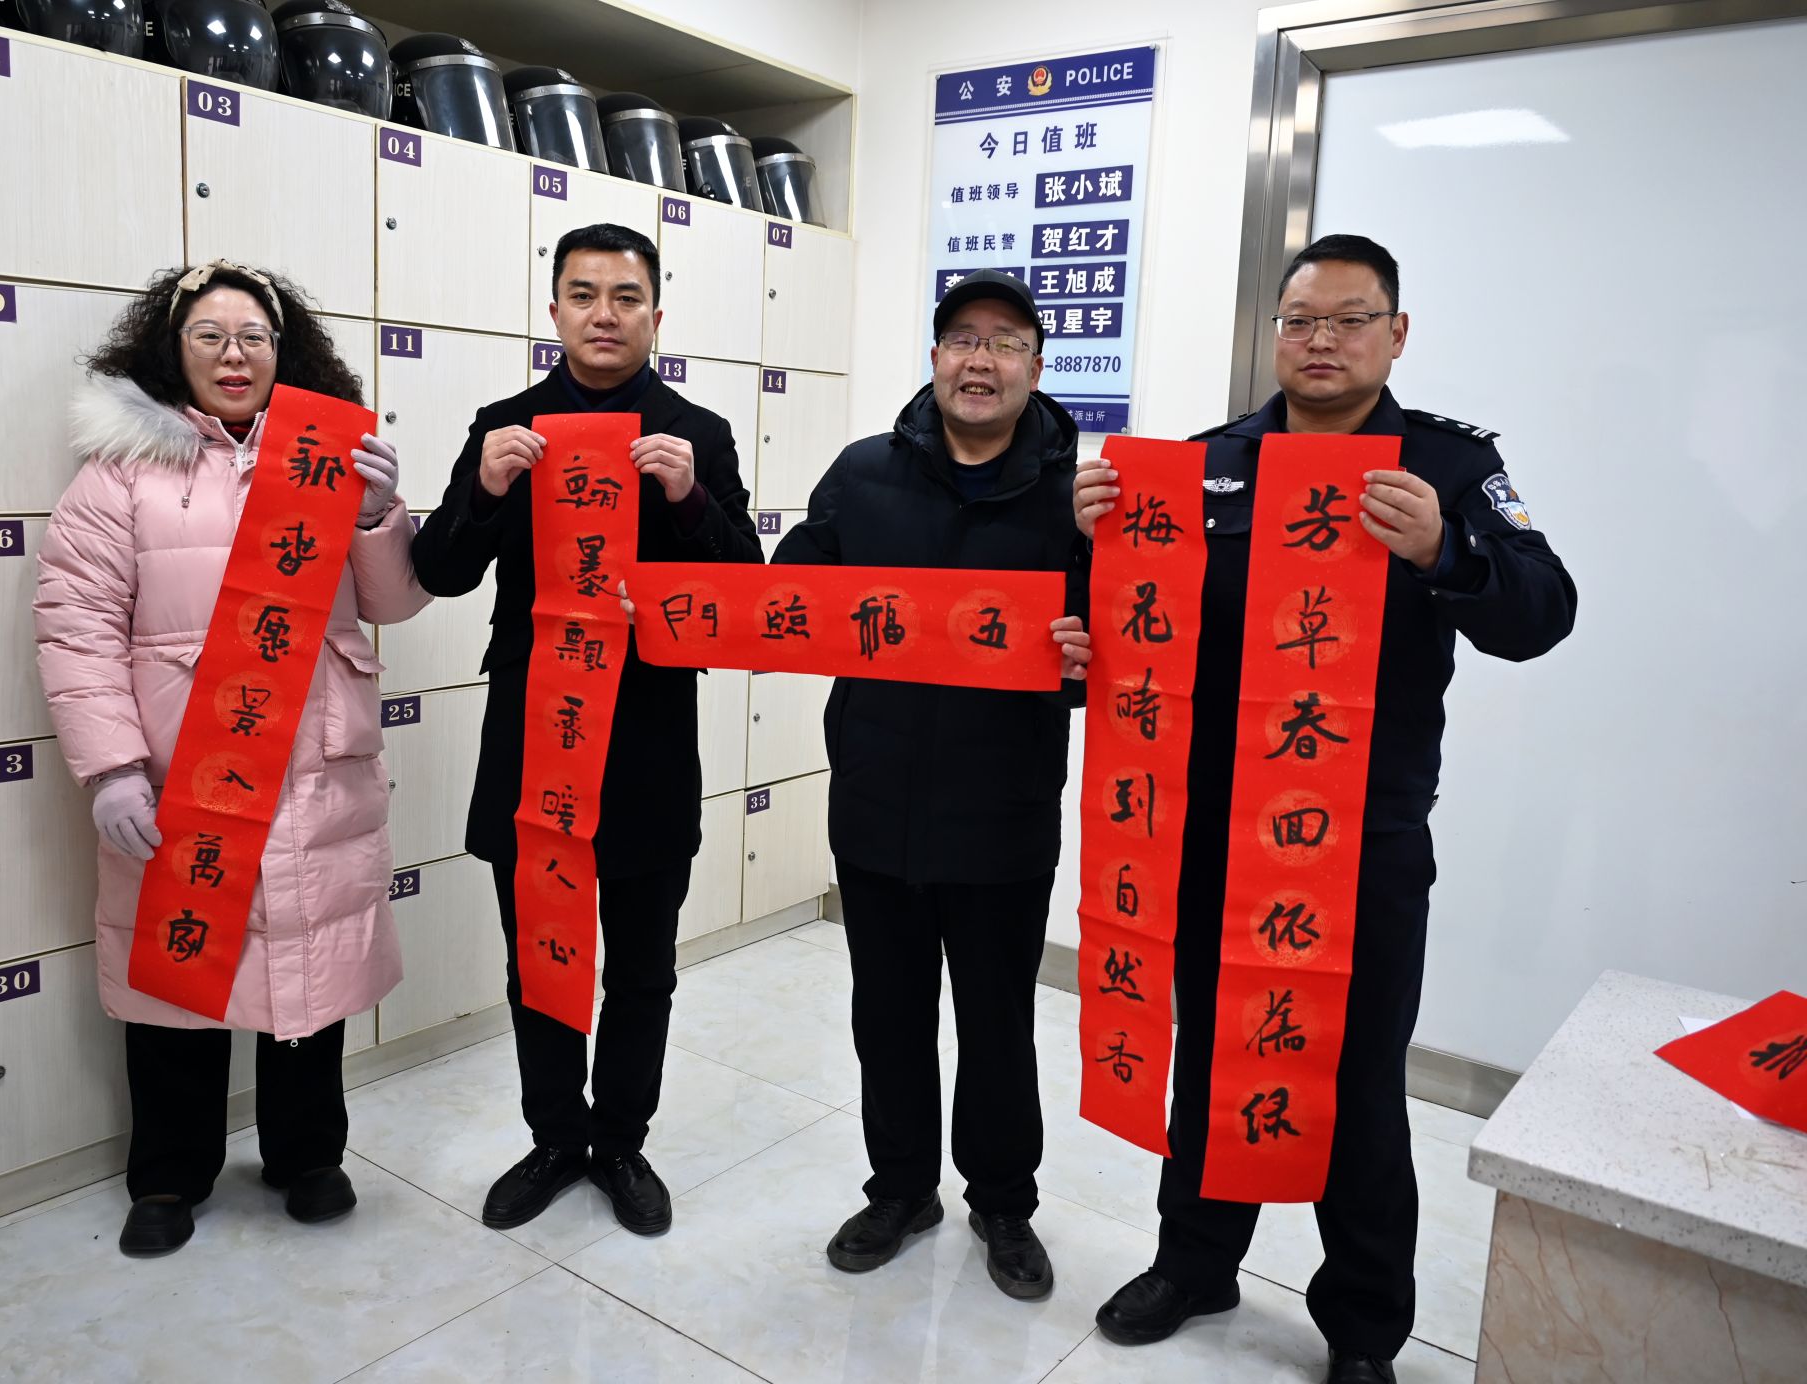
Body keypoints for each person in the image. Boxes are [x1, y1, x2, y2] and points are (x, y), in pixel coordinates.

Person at [1075, 234, 1576, 1383]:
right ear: (1275, 333)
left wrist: (1446, 550)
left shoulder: (1446, 466)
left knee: (1353, 1082)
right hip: (1215, 829)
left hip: (1359, 843)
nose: (1320, 341)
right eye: (1299, 320)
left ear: (1394, 334)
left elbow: (1542, 610)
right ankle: (1194, 1262)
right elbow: (1129, 627)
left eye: (1349, 320)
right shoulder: (1205, 465)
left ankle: (1361, 1324)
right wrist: (1090, 532)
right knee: (1214, 1052)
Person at [34, 260, 431, 1257]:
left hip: (315, 760)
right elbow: (76, 627)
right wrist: (111, 768)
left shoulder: (329, 461)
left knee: (312, 958)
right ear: (171, 351)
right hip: (188, 768)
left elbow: (392, 601)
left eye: (253, 335)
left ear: (283, 350)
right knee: (178, 970)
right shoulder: (120, 474)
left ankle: (309, 1156)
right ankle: (169, 1175)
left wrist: (379, 515)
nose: (233, 355)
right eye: (208, 336)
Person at [410, 222, 763, 1237]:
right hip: (536, 739)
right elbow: (438, 571)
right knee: (540, 956)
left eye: (625, 296)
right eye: (583, 294)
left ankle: (621, 1142)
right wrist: (485, 490)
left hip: (646, 742)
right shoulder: (506, 426)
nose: (603, 314)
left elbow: (744, 594)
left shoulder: (695, 433)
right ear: (554, 308)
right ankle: (556, 1137)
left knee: (642, 964)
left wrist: (687, 499)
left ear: (656, 313)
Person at [771, 269, 1093, 1299]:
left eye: (1005, 342)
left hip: (1002, 810)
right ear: (935, 357)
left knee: (996, 1023)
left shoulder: (1078, 501)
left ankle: (1003, 1202)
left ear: (1035, 367)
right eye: (962, 338)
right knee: (889, 1016)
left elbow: (1121, 655)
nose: (979, 360)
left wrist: (1087, 657)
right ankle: (901, 1189)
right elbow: (791, 594)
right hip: (876, 802)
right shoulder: (864, 473)